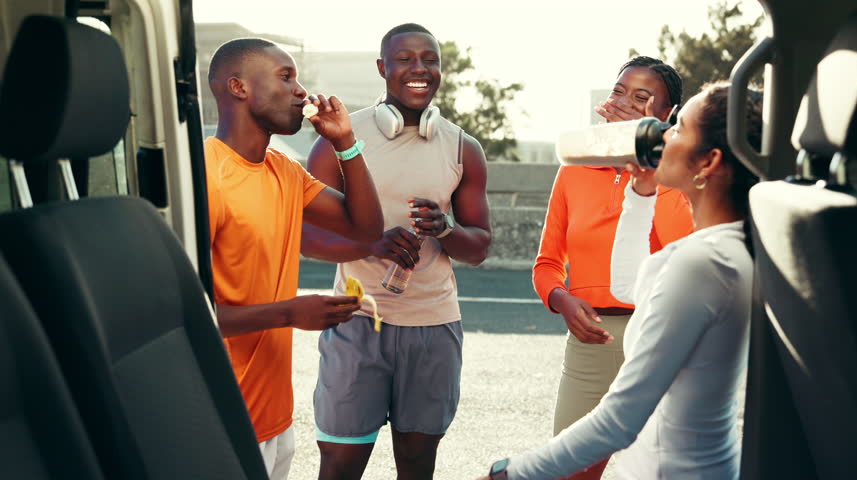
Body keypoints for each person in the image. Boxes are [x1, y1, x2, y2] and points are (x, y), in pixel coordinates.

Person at [482, 82, 762, 479]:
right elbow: (628, 285)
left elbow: (619, 419)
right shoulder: (718, 249)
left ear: (709, 162)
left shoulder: (705, 262)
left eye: (677, 127)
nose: (662, 134)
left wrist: (509, 473)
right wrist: (642, 190)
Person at [299, 23, 492, 480]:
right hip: (357, 322)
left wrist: (445, 229)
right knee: (340, 465)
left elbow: (479, 247)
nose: (419, 69)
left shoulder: (465, 148)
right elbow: (305, 239)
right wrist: (371, 242)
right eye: (404, 59)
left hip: (434, 327)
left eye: (429, 59)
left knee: (417, 465)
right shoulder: (338, 139)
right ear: (383, 68)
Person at [205, 38, 384, 480]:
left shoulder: (283, 170)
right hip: (220, 419)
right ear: (239, 87)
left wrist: (345, 143)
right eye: (286, 77)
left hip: (274, 417)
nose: (301, 90)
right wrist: (291, 312)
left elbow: (365, 230)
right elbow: (185, 314)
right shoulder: (207, 173)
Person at [532, 56, 693, 479]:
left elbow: (684, 250)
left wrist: (651, 163)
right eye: (619, 91)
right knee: (567, 470)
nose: (624, 102)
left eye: (642, 97)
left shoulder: (679, 176)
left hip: (660, 340)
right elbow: (548, 262)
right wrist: (561, 299)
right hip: (591, 342)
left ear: (667, 115)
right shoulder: (573, 171)